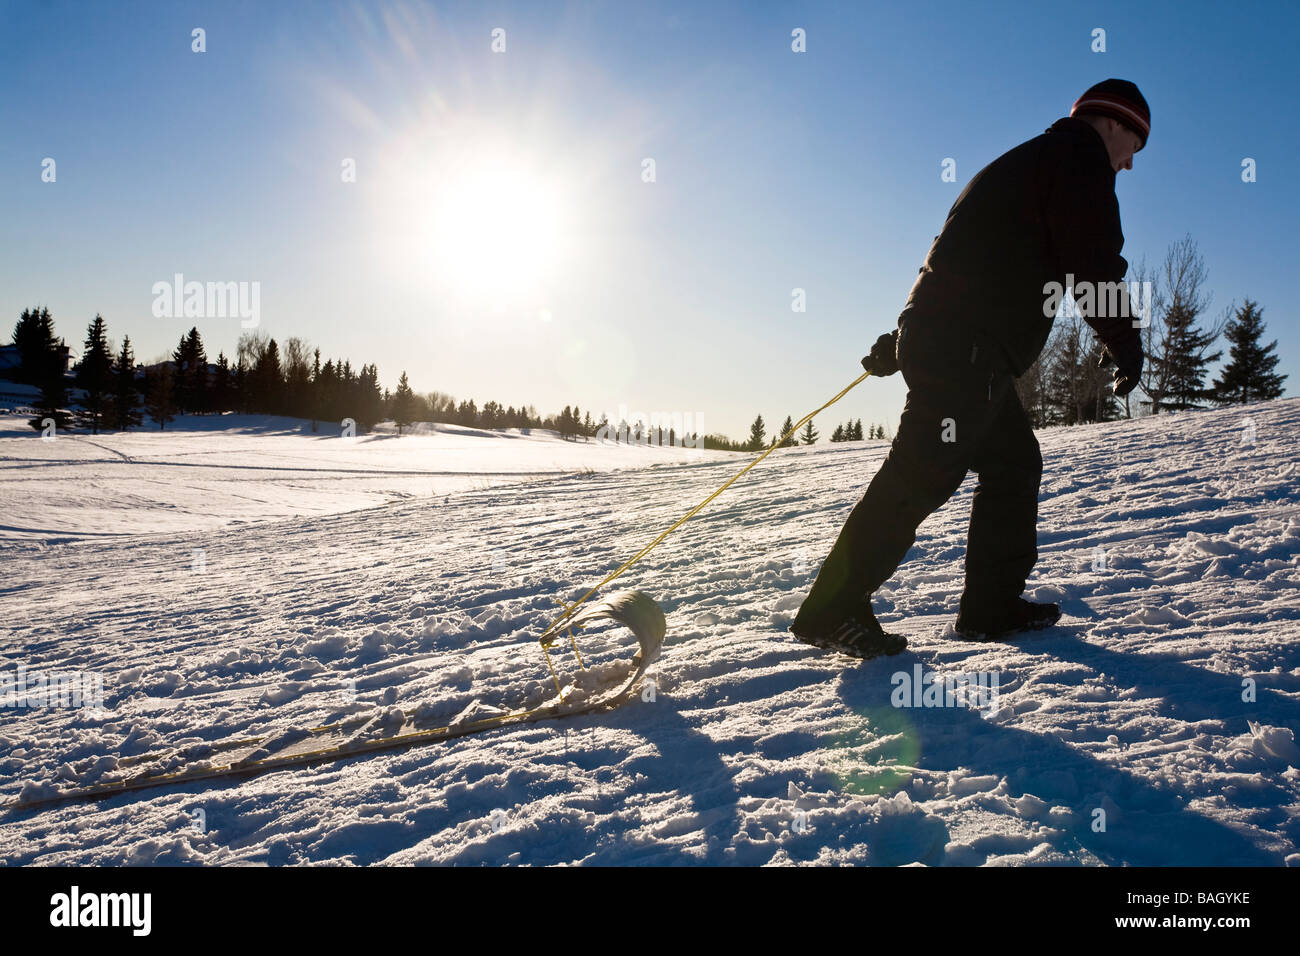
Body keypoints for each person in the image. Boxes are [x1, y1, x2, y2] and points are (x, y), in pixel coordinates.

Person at [791, 79, 1149, 658]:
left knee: (1013, 463)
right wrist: (1124, 341)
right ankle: (830, 608)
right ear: (1114, 122)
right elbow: (1093, 261)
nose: (1131, 164)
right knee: (919, 475)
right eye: (1136, 144)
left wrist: (904, 335)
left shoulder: (1021, 162)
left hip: (955, 343)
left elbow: (954, 254)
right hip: (969, 352)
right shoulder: (1080, 161)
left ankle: (990, 607)